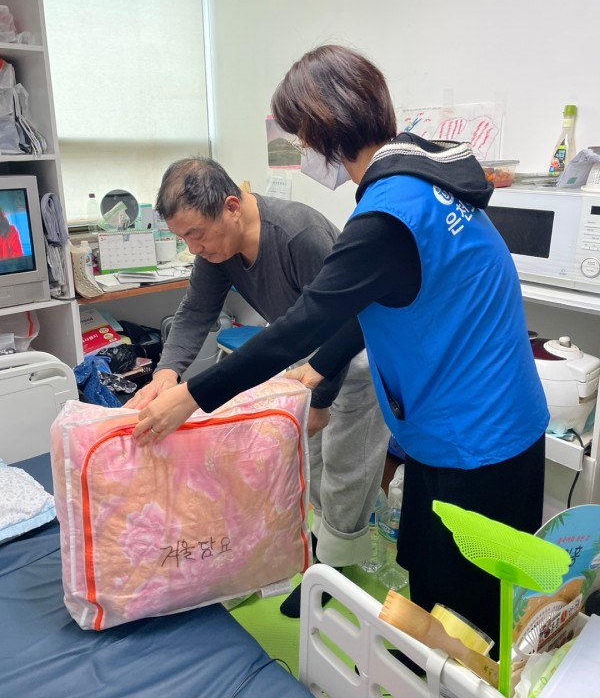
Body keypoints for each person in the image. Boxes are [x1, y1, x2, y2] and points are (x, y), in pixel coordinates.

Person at [132, 44, 548, 652]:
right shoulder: (424, 183)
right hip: (459, 423)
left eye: (302, 138)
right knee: (428, 583)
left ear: (326, 131)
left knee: (468, 624)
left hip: (478, 437)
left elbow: (304, 323)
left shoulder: (386, 218)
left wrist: (192, 396)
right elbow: (362, 306)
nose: (302, 153)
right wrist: (315, 371)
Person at [126, 155, 390, 617]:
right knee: (311, 461)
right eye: (183, 239)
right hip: (304, 356)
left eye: (196, 235)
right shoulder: (218, 251)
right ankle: (324, 546)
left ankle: (334, 572)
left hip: (357, 352)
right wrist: (166, 373)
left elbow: (346, 321)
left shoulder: (298, 235)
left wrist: (322, 400)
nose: (194, 248)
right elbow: (195, 312)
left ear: (231, 206)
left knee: (347, 467)